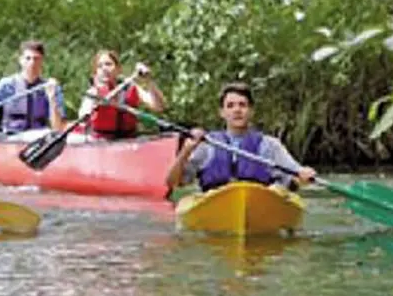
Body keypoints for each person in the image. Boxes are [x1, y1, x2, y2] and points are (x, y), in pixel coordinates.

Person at [167, 81, 317, 191]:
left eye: (242, 105)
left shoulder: (270, 145)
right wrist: (185, 152)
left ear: (251, 111)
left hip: (259, 202)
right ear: (222, 113)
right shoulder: (207, 145)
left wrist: (303, 175)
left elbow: (295, 175)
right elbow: (172, 183)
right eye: (230, 106)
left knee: (279, 189)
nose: (237, 110)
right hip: (215, 203)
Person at [78, 49, 166, 139]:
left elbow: (159, 106)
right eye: (100, 66)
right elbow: (83, 118)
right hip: (101, 143)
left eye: (108, 64)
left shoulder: (130, 87)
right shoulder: (93, 93)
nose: (104, 69)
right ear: (96, 73)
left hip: (129, 141)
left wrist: (148, 81)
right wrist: (93, 108)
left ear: (118, 69)